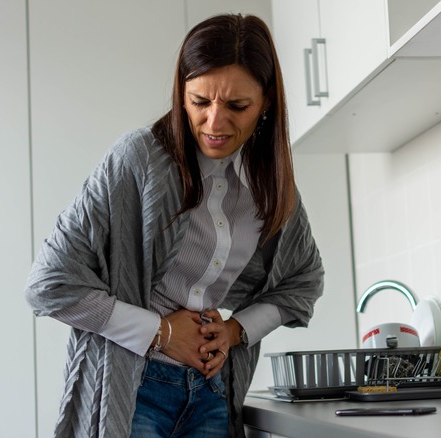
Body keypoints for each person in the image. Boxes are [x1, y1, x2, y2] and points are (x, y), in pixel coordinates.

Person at [25, 13, 324, 438]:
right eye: (200, 102)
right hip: (134, 390)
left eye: (237, 106)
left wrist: (236, 331)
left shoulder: (271, 186)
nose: (215, 123)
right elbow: (48, 285)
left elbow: (303, 281)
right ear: (180, 94)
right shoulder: (138, 159)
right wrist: (160, 333)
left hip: (212, 393)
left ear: (267, 102)